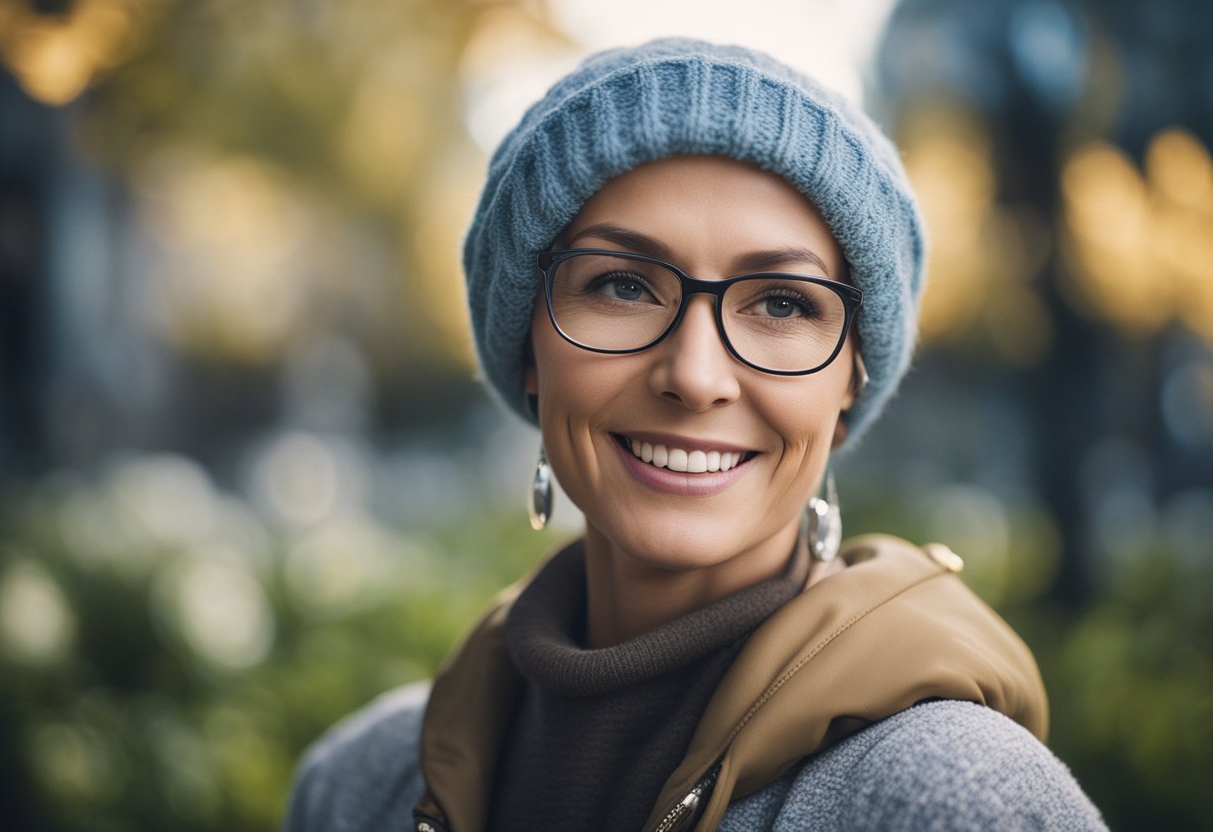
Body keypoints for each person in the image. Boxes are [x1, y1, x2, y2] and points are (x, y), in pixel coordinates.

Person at [284, 39, 1107, 831]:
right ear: (528, 351)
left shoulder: (959, 800)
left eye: (783, 303)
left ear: (849, 385)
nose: (697, 374)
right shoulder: (358, 786)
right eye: (621, 285)